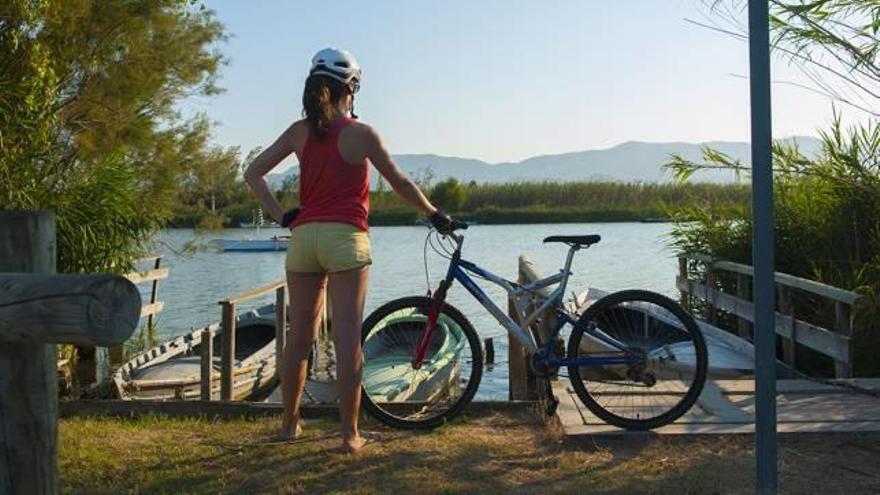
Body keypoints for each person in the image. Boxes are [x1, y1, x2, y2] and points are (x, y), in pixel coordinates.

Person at [245, 47, 454, 453]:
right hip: (346, 240)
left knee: (298, 339)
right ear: (352, 89)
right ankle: (349, 436)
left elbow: (253, 172)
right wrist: (434, 214)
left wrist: (280, 216)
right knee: (346, 340)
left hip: (304, 240)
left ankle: (290, 427)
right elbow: (400, 183)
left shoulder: (298, 131)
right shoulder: (362, 134)